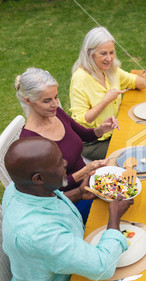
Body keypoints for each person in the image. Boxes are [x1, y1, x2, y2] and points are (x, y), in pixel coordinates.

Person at [2, 137, 134, 281]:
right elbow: (102, 266)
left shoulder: (18, 190)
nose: (65, 163)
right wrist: (114, 218)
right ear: (38, 179)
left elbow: (48, 204)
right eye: (58, 163)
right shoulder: (39, 233)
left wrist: (78, 193)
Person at [16, 67, 119, 223]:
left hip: (90, 183)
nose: (55, 104)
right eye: (47, 100)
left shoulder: (56, 113)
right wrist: (83, 172)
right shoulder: (30, 142)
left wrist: (101, 129)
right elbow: (49, 190)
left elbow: (84, 135)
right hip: (71, 203)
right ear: (28, 100)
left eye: (56, 97)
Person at [70, 26, 146, 160]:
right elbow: (83, 120)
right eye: (103, 53)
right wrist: (106, 100)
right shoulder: (80, 79)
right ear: (90, 53)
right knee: (139, 153)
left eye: (112, 52)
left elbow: (132, 81)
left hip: (115, 131)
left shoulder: (109, 69)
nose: (109, 58)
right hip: (93, 142)